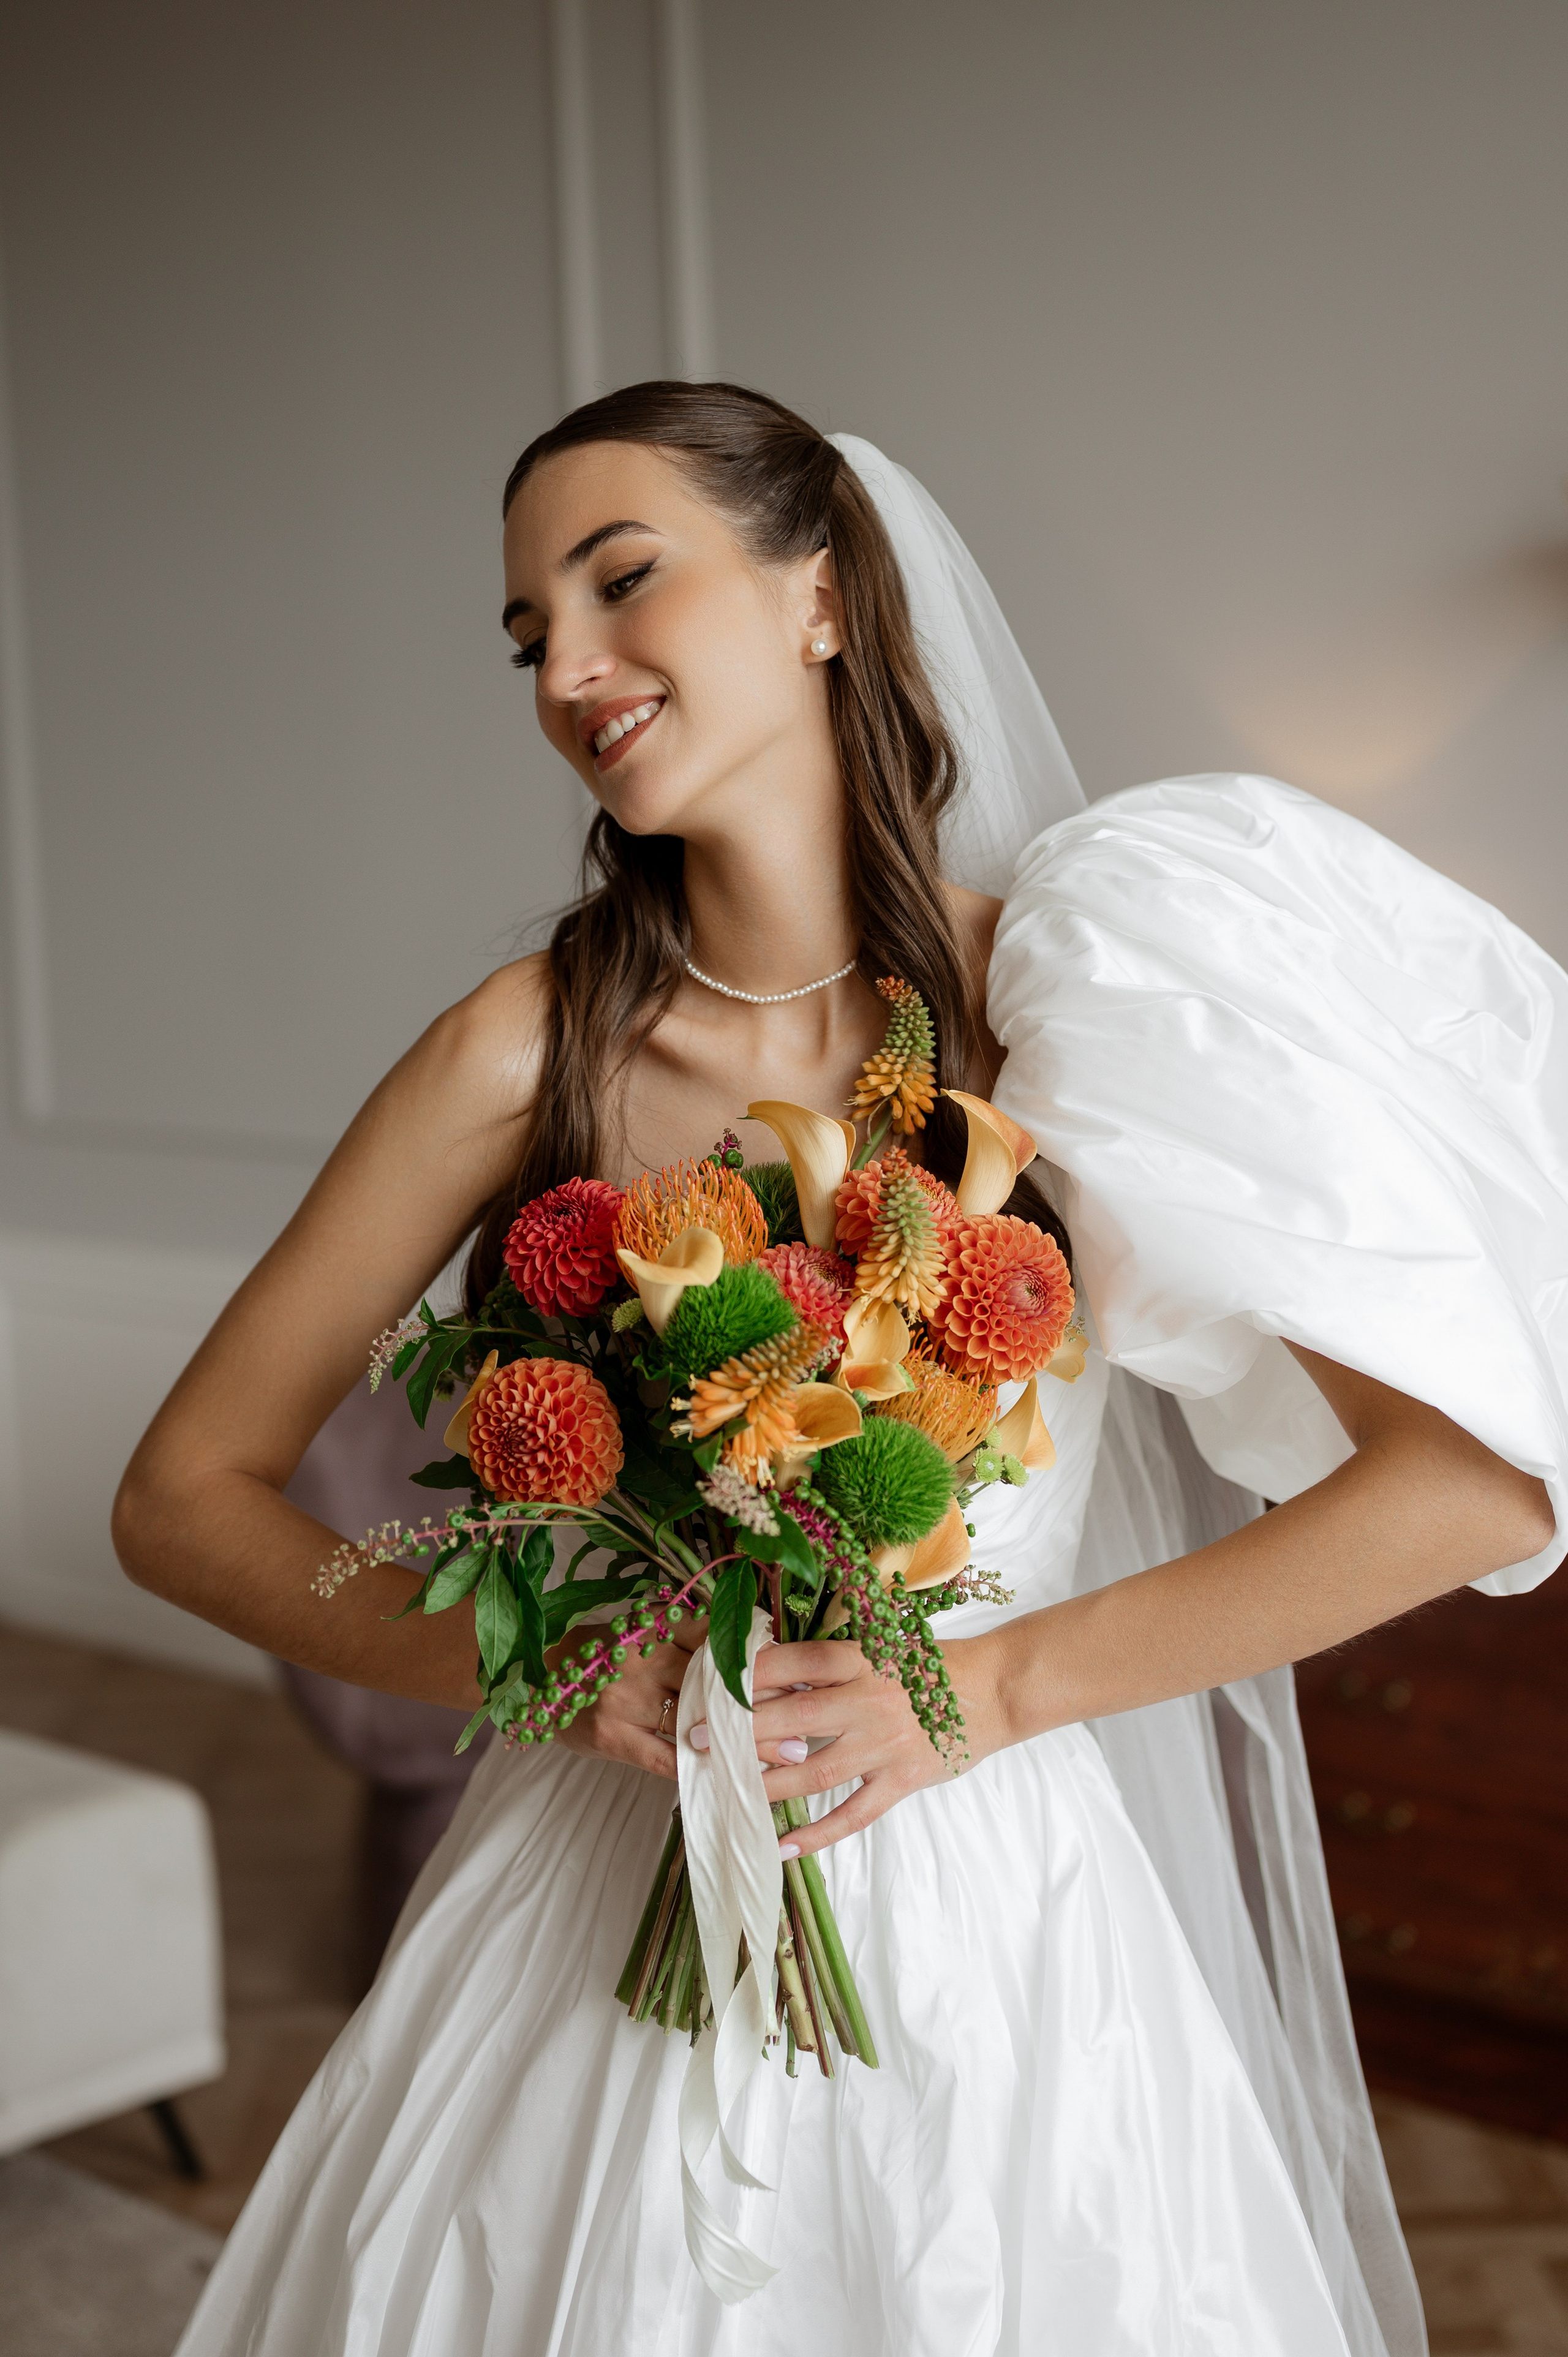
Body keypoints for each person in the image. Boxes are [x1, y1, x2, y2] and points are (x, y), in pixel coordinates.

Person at [113, 381, 1568, 2357]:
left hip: (1013, 1924)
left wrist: (989, 1690)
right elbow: (179, 1497)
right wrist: (546, 1661)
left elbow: (1474, 1483)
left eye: (624, 581)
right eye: (532, 632)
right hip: (603, 1897)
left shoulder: (1079, 1001)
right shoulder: (518, 1052)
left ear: (820, 597)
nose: (571, 665)